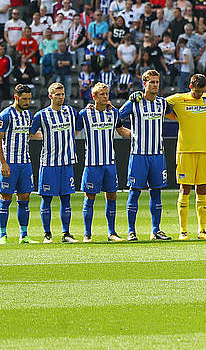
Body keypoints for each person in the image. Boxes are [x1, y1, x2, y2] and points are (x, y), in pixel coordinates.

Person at [163, 73, 206, 240]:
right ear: (190, 87)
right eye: (197, 92)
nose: (199, 95)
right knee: (185, 189)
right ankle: (183, 231)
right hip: (185, 151)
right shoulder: (177, 99)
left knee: (202, 189)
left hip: (205, 150)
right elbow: (156, 103)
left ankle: (202, 230)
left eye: (201, 92)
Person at [116, 70, 171, 241]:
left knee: (157, 193)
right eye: (152, 82)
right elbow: (116, 119)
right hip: (138, 155)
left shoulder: (163, 103)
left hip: (157, 155)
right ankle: (131, 231)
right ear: (144, 83)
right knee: (135, 193)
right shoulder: (134, 102)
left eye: (157, 82)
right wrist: (129, 134)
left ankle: (156, 230)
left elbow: (179, 111)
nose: (155, 85)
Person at [30, 82, 79, 243]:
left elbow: (81, 122)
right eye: (57, 94)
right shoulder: (41, 115)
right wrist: (43, 138)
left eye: (62, 94)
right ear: (50, 96)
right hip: (49, 163)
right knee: (47, 199)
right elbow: (30, 133)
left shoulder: (71, 111)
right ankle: (47, 234)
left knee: (66, 198)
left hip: (66, 162)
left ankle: (66, 234)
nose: (60, 97)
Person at [77, 83, 123, 242]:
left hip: (109, 162)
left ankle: (112, 233)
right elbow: (74, 132)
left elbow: (121, 130)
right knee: (89, 197)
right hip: (92, 163)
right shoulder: (84, 114)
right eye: (102, 94)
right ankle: (87, 234)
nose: (105, 96)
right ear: (94, 97)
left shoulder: (114, 113)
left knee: (112, 196)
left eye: (107, 93)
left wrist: (137, 135)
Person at [0, 84, 34, 243]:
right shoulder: (5, 115)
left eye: (29, 98)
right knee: (5, 198)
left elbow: (30, 135)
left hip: (25, 163)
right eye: (24, 99)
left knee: (25, 197)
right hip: (10, 163)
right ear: (16, 97)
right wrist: (3, 163)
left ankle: (24, 235)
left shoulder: (28, 114)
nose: (27, 101)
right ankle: (2, 234)